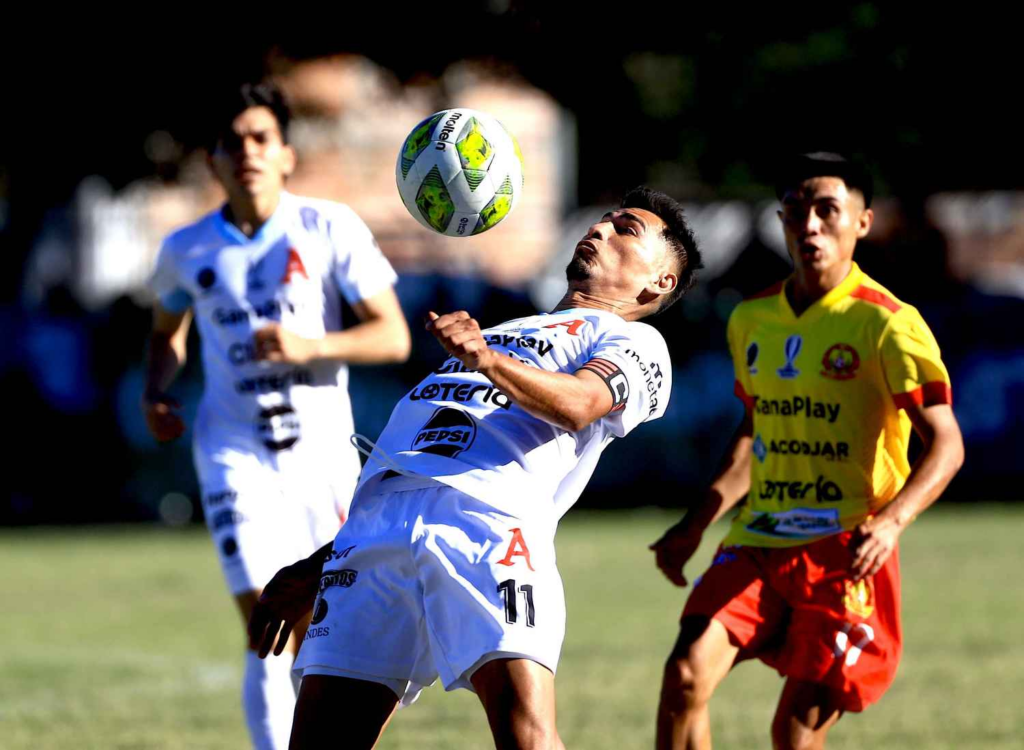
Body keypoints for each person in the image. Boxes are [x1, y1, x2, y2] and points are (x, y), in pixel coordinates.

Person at [248, 187, 703, 749]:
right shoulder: (498, 334)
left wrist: (484, 358)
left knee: (525, 738)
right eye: (603, 219)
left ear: (661, 281)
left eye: (626, 229)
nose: (602, 228)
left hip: (488, 526)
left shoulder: (631, 339)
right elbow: (418, 456)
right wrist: (322, 559)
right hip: (371, 534)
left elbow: (581, 404)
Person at [650, 153, 965, 750]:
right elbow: (754, 432)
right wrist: (695, 524)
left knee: (794, 734)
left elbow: (946, 443)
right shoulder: (751, 318)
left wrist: (893, 522)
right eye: (796, 211)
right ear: (781, 220)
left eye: (827, 210)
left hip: (845, 551)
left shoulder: (888, 324)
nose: (811, 225)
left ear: (862, 222)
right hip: (762, 538)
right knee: (685, 675)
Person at [143, 81, 411, 750]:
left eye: (261, 139)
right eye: (233, 142)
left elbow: (393, 335)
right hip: (234, 453)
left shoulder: (329, 227)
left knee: (326, 633)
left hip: (324, 458)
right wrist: (158, 389)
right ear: (212, 159)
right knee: (264, 619)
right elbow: (166, 332)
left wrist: (310, 345)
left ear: (287, 155)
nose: (248, 153)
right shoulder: (187, 249)